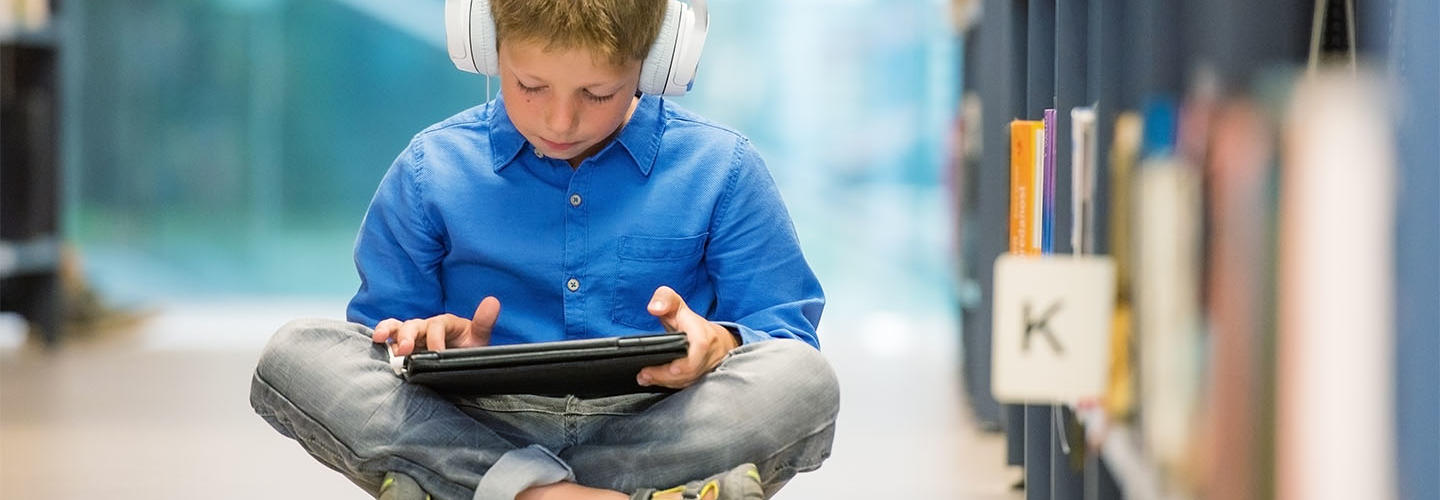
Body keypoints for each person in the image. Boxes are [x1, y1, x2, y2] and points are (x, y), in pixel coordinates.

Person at [249, 1, 838, 499]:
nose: (560, 119)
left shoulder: (722, 168)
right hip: (480, 422)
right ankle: (562, 493)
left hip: (660, 422)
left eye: (598, 92)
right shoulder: (432, 168)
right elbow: (380, 342)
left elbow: (785, 332)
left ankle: (481, 487)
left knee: (804, 379)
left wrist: (721, 342)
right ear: (486, 46)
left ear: (657, 61)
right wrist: (432, 345)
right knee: (296, 353)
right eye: (530, 86)